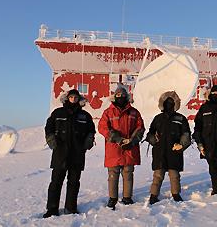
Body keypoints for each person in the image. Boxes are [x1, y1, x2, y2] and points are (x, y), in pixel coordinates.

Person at [43, 89, 96, 218]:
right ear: (67, 98)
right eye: (71, 97)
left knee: (73, 182)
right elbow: (49, 127)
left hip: (77, 154)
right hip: (60, 153)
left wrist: (89, 139)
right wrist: (50, 138)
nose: (73, 99)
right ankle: (52, 209)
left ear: (79, 99)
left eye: (76, 97)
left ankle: (71, 207)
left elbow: (91, 130)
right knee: (55, 182)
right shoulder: (57, 113)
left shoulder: (85, 116)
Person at [98, 85, 145, 210]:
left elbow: (140, 128)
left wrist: (133, 140)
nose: (120, 97)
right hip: (114, 148)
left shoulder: (134, 112)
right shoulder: (108, 112)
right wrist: (117, 138)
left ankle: (127, 197)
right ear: (114, 97)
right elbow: (102, 127)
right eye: (118, 95)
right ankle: (113, 198)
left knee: (128, 173)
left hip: (130, 148)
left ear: (127, 96)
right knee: (113, 174)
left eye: (123, 95)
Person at [145, 91, 191, 205]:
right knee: (158, 174)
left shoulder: (181, 118)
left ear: (175, 104)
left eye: (171, 102)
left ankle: (176, 194)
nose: (169, 104)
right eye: (167, 102)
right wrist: (152, 139)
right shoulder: (158, 118)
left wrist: (181, 144)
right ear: (163, 103)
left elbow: (186, 134)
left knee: (174, 175)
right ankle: (153, 195)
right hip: (159, 150)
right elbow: (150, 132)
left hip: (174, 151)